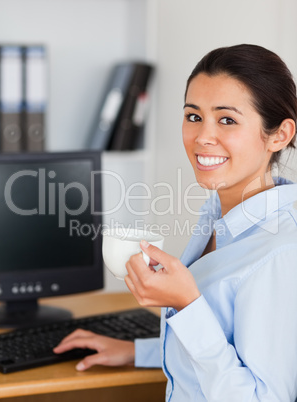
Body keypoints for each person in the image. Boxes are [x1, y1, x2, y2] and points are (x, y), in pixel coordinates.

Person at [54, 44, 297, 401]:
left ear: (280, 134)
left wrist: (187, 305)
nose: (202, 137)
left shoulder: (282, 252)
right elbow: (227, 346)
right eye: (194, 116)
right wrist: (140, 351)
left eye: (227, 119)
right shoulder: (217, 213)